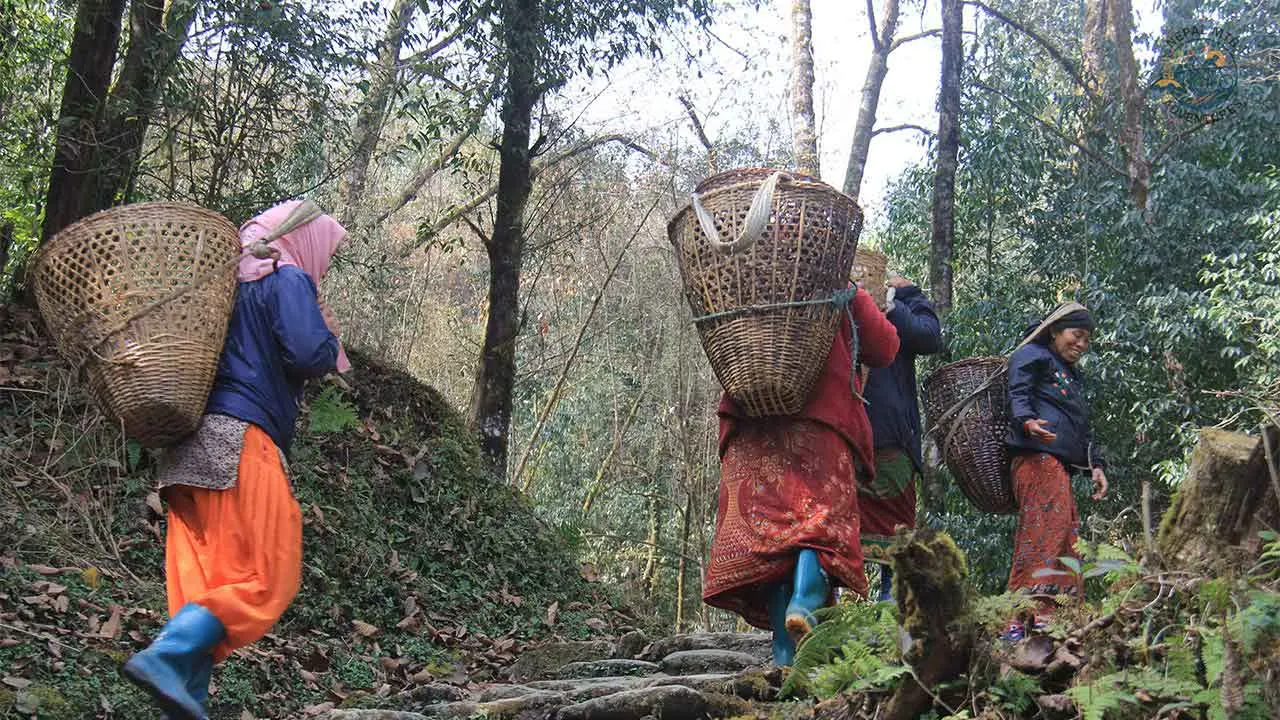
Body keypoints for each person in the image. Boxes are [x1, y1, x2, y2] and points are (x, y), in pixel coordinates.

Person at [122, 200, 351, 719]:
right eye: (325, 253)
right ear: (304, 240)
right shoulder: (286, 277)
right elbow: (309, 352)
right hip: (241, 440)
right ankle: (166, 654)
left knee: (207, 589)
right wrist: (325, 328)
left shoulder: (221, 286)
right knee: (270, 573)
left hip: (186, 451)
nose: (324, 264)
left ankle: (180, 704)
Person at [703, 286, 900, 666]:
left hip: (750, 422)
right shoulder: (835, 283)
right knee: (821, 524)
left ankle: (785, 657)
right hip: (819, 420)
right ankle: (806, 602)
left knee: (772, 541)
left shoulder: (744, 284)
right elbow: (885, 347)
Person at [1003, 303, 1107, 641]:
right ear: (1055, 331)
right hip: (1036, 460)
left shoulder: (1071, 376)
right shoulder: (1032, 354)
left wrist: (1097, 466)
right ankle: (1020, 618)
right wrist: (1027, 421)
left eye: (1087, 340)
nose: (1081, 344)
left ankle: (1056, 617)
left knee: (1065, 535)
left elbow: (1082, 427)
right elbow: (1018, 392)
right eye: (1076, 335)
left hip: (1056, 466)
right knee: (1043, 530)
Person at [860, 275, 945, 601]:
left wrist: (893, 303)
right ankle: (826, 632)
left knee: (894, 543)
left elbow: (929, 337)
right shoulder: (834, 294)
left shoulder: (904, 299)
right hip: (843, 439)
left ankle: (889, 627)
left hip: (891, 438)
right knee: (831, 542)